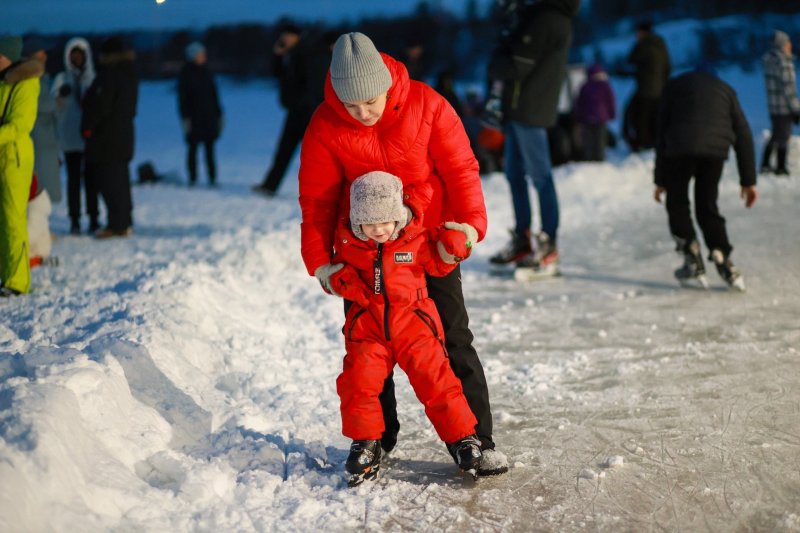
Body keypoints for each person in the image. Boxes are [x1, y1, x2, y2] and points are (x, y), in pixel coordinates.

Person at [299, 32, 508, 477]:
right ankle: (377, 439)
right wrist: (321, 260)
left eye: (370, 102)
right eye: (351, 106)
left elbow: (461, 169)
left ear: (386, 85)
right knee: (369, 349)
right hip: (362, 254)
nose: (363, 113)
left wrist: (468, 229)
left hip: (430, 243)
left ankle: (476, 439)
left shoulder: (428, 105)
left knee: (451, 337)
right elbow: (316, 200)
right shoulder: (325, 124)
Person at [327, 171, 483, 485]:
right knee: (359, 383)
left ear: (398, 216)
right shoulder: (350, 246)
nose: (379, 230)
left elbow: (440, 263)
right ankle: (366, 442)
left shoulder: (415, 238)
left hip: (414, 323)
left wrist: (455, 248)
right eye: (369, 225)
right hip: (370, 327)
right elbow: (337, 274)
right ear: (357, 224)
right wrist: (337, 281)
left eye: (385, 222)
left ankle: (463, 438)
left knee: (437, 381)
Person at [486, 0, 580, 281]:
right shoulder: (536, 15)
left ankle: (548, 243)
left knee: (540, 177)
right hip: (520, 109)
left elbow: (516, 66)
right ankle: (524, 239)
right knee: (515, 175)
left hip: (531, 109)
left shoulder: (547, 18)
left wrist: (497, 58)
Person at [654, 64, 757, 292]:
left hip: (679, 149)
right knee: (707, 204)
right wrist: (748, 181)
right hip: (715, 151)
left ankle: (691, 253)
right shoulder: (726, 90)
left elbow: (660, 133)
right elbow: (743, 134)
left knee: (677, 201)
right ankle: (721, 255)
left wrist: (660, 179)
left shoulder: (673, 87)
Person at [252, 25, 331, 197]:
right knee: (285, 150)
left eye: (288, 36)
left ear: (296, 37)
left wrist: (306, 105)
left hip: (306, 111)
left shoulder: (305, 53)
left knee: (314, 154)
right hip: (297, 110)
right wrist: (277, 56)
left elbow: (311, 83)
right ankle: (269, 186)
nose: (285, 39)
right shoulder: (293, 54)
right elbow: (278, 75)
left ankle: (323, 191)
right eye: (283, 36)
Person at [81, 36, 138, 239]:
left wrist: (87, 127)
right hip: (124, 136)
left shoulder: (109, 75)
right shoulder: (129, 73)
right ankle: (124, 220)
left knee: (110, 182)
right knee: (121, 181)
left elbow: (100, 105)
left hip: (107, 139)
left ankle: (117, 224)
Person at [0, 34, 41, 297]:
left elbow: (20, 126)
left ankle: (17, 282)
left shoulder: (26, 82)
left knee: (14, 220)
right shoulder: (2, 82)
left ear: (9, 57)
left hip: (14, 158)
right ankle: (7, 275)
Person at [52, 37, 97, 235]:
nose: (77, 59)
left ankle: (94, 217)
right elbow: (53, 109)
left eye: (80, 55)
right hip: (70, 138)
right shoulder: (62, 79)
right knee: (73, 181)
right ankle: (75, 219)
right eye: (74, 55)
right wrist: (61, 96)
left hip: (89, 138)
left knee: (92, 180)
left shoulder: (92, 79)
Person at [621, 20, 671, 153]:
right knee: (655, 117)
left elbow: (630, 60)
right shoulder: (661, 45)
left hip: (645, 89)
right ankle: (654, 143)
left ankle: (642, 145)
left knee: (637, 116)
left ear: (642, 32)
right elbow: (668, 67)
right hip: (660, 89)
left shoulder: (642, 45)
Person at [178, 41, 223, 186]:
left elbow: (214, 95)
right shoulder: (186, 74)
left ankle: (212, 178)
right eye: (200, 54)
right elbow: (183, 99)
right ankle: (193, 178)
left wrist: (219, 114)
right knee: (193, 149)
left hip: (209, 117)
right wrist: (185, 118)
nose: (203, 57)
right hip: (194, 118)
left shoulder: (207, 72)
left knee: (210, 150)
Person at [24, 38, 62, 205]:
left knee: (45, 188)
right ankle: (37, 227)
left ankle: (42, 226)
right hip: (38, 141)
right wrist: (56, 103)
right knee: (37, 187)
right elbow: (36, 104)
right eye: (41, 54)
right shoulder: (28, 79)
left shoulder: (43, 78)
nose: (45, 56)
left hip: (48, 142)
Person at [760, 30, 800, 176]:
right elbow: (788, 88)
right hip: (784, 108)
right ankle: (781, 167)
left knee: (776, 135)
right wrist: (796, 109)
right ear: (783, 45)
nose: (790, 45)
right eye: (788, 42)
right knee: (783, 137)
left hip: (773, 106)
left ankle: (765, 163)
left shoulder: (770, 61)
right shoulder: (784, 62)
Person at [574, 63, 616, 161]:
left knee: (588, 140)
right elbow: (610, 101)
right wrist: (612, 114)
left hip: (587, 118)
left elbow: (579, 103)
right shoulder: (605, 85)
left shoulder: (585, 86)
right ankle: (600, 158)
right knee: (600, 139)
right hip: (601, 118)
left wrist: (578, 116)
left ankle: (589, 158)